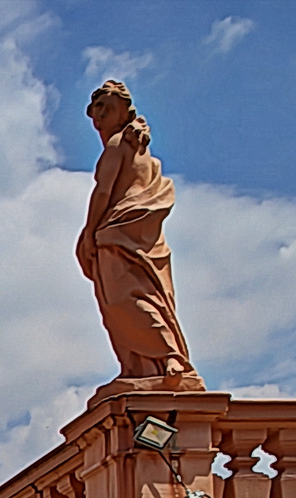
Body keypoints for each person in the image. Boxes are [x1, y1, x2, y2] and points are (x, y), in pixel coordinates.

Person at [76, 80, 201, 393]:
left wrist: (88, 234)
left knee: (125, 298)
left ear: (123, 110)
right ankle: (140, 367)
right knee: (138, 296)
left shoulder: (119, 145)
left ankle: (168, 358)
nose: (99, 115)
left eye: (107, 107)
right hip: (133, 234)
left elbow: (104, 192)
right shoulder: (132, 146)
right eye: (96, 108)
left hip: (120, 234)